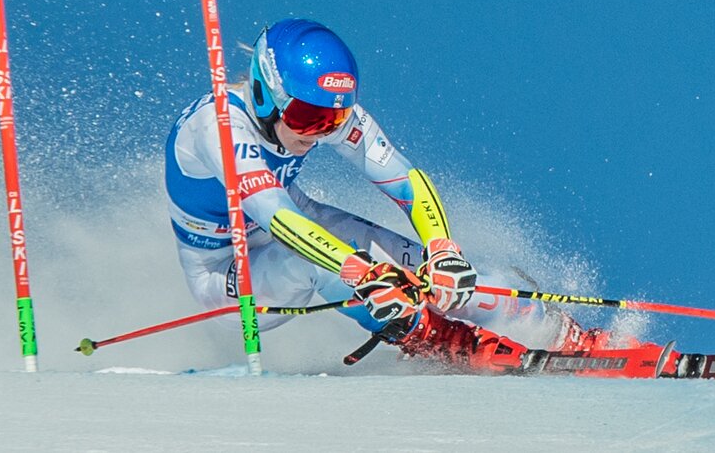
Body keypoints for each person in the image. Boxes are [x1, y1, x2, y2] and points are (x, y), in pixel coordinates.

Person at [162, 18, 590, 360]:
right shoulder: (218, 127)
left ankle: (556, 330)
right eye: (308, 119)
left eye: (332, 121)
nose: (318, 133)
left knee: (430, 270)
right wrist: (362, 272)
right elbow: (276, 215)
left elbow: (404, 179)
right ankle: (435, 340)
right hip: (227, 274)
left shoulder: (317, 113)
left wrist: (441, 248)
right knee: (325, 263)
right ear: (264, 94)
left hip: (297, 225)